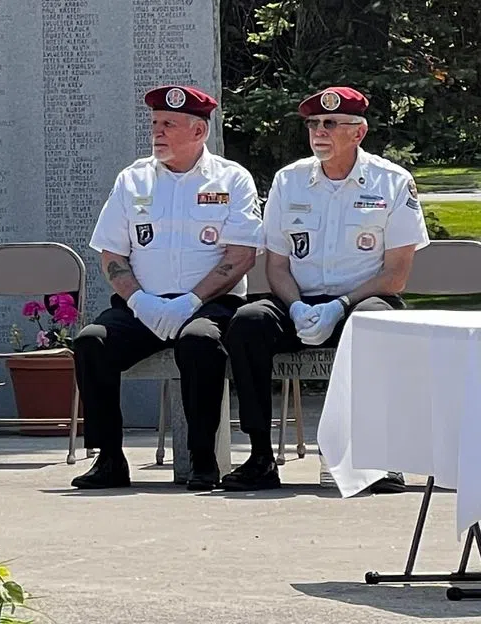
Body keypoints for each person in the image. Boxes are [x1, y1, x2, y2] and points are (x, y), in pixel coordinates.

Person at [220, 86, 428, 492]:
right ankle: (261, 455)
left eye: (331, 124)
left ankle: (378, 460)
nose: (319, 132)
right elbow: (276, 265)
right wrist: (295, 306)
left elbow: (396, 275)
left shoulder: (392, 182)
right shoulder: (290, 181)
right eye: (314, 124)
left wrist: (340, 305)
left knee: (376, 323)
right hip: (300, 299)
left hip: (362, 298)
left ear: (358, 133)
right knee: (247, 322)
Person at [70, 84, 263, 491]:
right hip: (142, 305)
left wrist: (192, 301)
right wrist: (139, 299)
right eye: (155, 123)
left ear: (199, 132)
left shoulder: (232, 179)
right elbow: (112, 254)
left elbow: (242, 254)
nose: (157, 132)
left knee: (199, 343)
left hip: (210, 304)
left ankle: (202, 459)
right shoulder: (133, 179)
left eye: (168, 124)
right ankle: (108, 459)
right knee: (92, 342)